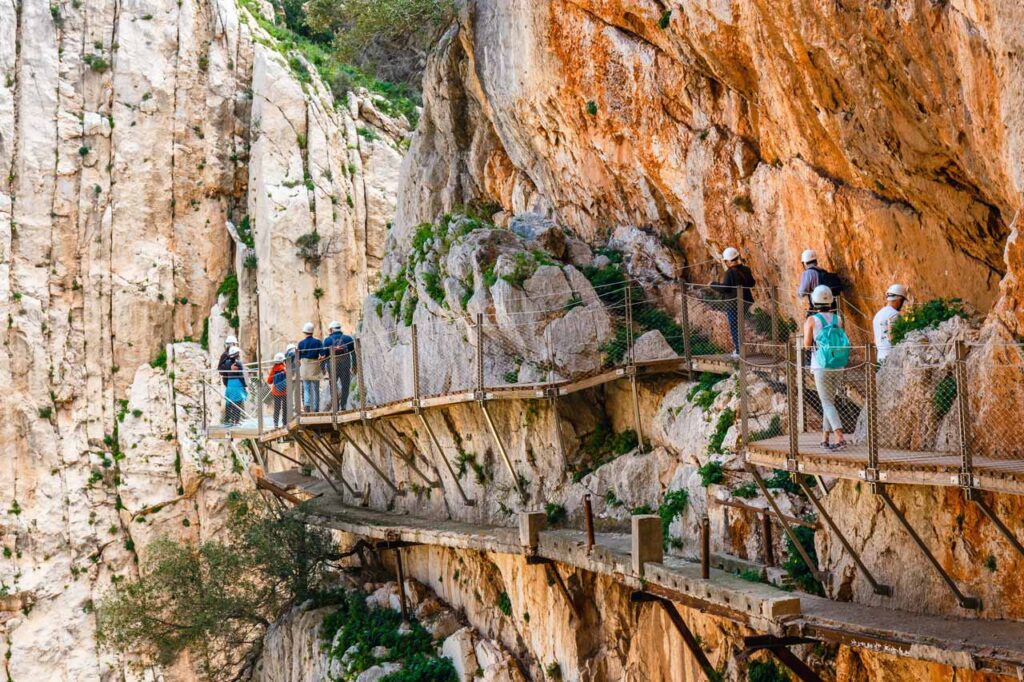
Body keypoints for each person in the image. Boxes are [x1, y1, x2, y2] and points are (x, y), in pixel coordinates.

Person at [803, 285, 849, 451]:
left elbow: (807, 345)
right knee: (829, 402)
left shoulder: (812, 320)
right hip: (838, 364)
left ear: (814, 301)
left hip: (821, 365)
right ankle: (825, 438)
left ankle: (839, 437)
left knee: (827, 402)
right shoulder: (838, 319)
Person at [711, 247, 755, 357]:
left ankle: (739, 351)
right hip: (746, 301)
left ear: (729, 261)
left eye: (725, 261)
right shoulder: (746, 269)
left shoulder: (729, 272)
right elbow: (752, 283)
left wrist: (712, 284)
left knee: (734, 326)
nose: (725, 263)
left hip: (732, 304)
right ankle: (741, 348)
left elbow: (725, 288)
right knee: (739, 324)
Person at [322, 320, 357, 410]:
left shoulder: (327, 340)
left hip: (332, 365)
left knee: (333, 385)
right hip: (345, 364)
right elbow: (353, 353)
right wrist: (354, 365)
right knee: (345, 384)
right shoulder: (348, 339)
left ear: (331, 330)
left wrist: (323, 368)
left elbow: (324, 355)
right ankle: (344, 405)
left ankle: (336, 407)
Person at [873, 284, 907, 362]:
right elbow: (893, 337)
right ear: (899, 299)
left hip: (880, 357)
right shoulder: (894, 314)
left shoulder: (877, 315)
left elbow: (875, 340)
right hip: (892, 357)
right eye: (902, 301)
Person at [297, 322, 324, 412]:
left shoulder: (301, 343)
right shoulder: (318, 342)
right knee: (316, 388)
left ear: (305, 332)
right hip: (314, 366)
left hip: (304, 367)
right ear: (312, 331)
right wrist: (319, 360)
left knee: (306, 388)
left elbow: (298, 358)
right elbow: (323, 355)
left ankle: (307, 407)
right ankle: (316, 408)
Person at [222, 346, 246, 425]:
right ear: (236, 354)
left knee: (231, 402)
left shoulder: (226, 363)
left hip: (229, 383)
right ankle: (237, 421)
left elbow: (224, 373)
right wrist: (244, 385)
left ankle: (231, 420)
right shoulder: (238, 363)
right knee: (238, 403)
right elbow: (241, 375)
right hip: (237, 383)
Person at [267, 352, 288, 427]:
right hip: (285, 391)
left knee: (277, 408)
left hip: (276, 392)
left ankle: (275, 423)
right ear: (283, 360)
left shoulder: (273, 369)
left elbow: (269, 381)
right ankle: (285, 423)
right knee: (285, 408)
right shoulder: (285, 368)